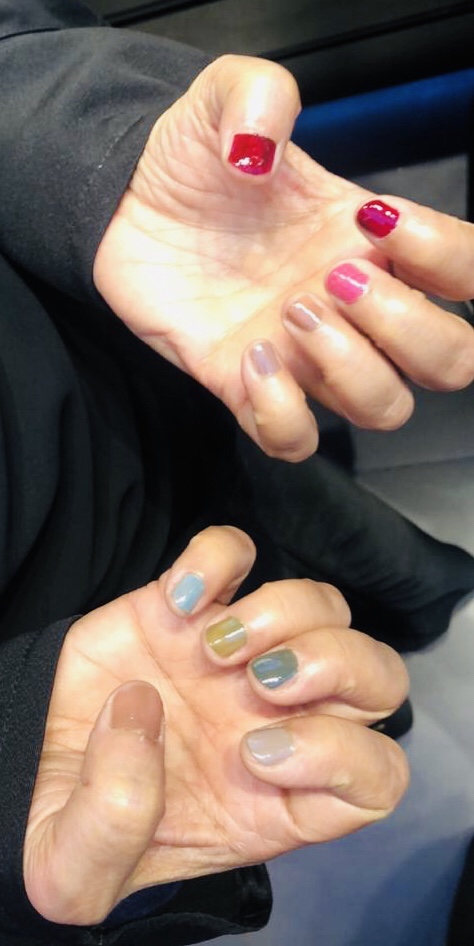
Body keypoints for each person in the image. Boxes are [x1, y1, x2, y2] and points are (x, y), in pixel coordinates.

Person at [0, 2, 473, 944]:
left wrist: (97, 164)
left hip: (136, 340)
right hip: (117, 657)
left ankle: (426, 608)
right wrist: (19, 760)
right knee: (338, 688)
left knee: (388, 569)